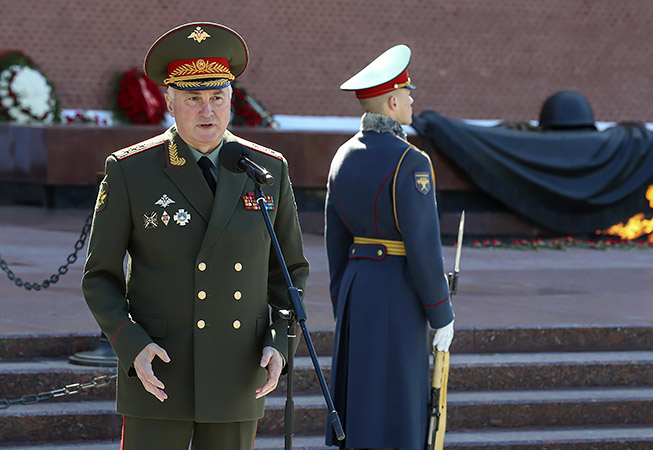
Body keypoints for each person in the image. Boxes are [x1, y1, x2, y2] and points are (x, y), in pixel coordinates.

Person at [81, 22, 309, 450]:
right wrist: (130, 344)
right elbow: (100, 276)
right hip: (158, 368)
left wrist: (280, 343)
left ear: (231, 101)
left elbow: (289, 271)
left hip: (238, 368)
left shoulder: (267, 170)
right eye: (193, 99)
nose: (208, 111)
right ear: (169, 101)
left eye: (217, 97)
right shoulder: (132, 170)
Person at [324, 44, 455, 450]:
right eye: (408, 94)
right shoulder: (411, 161)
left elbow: (335, 240)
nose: (413, 101)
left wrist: (342, 297)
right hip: (396, 290)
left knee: (362, 396)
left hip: (356, 286)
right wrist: (441, 313)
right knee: (399, 398)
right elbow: (423, 245)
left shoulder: (342, 156)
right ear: (392, 102)